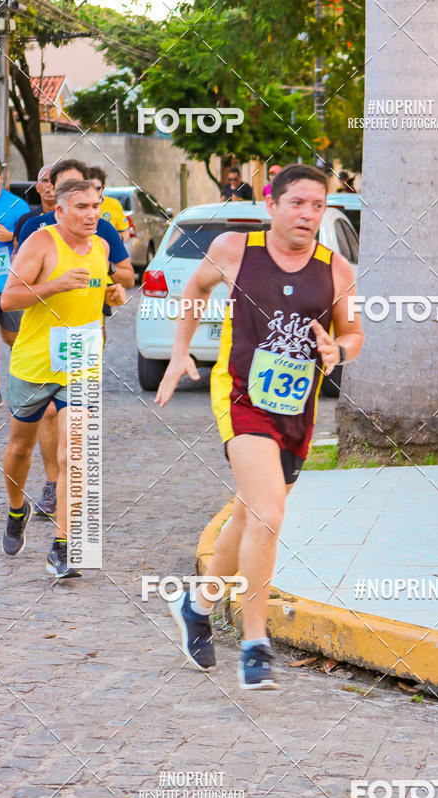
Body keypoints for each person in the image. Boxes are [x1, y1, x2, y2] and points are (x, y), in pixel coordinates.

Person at [155, 163, 363, 688]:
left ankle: (196, 605)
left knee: (251, 517)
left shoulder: (336, 269)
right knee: (269, 514)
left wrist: (338, 348)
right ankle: (254, 642)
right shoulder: (232, 250)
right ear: (271, 205)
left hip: (297, 410)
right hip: (241, 398)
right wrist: (180, 353)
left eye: (318, 206)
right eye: (298, 203)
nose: (308, 214)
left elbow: (353, 333)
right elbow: (194, 291)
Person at [1, 178, 126, 577]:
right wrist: (53, 285)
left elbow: (100, 291)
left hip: (80, 361)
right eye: (83, 207)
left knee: (75, 451)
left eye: (97, 206)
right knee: (21, 448)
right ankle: (16, 509)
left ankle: (63, 544)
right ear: (61, 211)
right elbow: (9, 298)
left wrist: (113, 295)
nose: (92, 214)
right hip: (35, 363)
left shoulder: (102, 248)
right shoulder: (40, 244)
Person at [16, 159, 135, 520]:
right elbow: (20, 285)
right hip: (40, 338)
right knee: (43, 417)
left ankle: (67, 513)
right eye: (64, 189)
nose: (84, 205)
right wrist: (54, 285)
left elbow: (126, 275)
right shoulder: (33, 228)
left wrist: (112, 288)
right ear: (52, 193)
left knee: (73, 428)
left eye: (88, 197)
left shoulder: (101, 233)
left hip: (84, 337)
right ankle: (49, 486)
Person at [0, 159, 30, 406]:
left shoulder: (17, 206)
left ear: (0, 176)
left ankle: (22, 382)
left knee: (13, 338)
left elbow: (30, 243)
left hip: (10, 283)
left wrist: (11, 236)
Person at [13, 164, 55, 248]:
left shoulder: (70, 219)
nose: (49, 185)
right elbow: (16, 255)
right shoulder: (25, 221)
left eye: (53, 181)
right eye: (45, 180)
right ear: (37, 186)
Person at [89, 166, 130, 242]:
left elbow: (125, 231)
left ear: (103, 187)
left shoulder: (114, 204)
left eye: (97, 188)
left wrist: (117, 241)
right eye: (89, 187)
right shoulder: (76, 205)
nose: (93, 192)